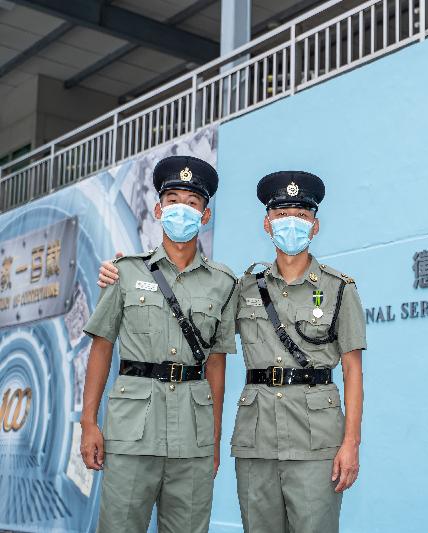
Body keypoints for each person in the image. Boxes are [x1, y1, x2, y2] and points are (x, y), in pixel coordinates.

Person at [97, 170, 366, 533]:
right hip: (256, 441)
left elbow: (353, 373)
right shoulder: (242, 288)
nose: (291, 224)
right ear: (267, 223)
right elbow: (195, 316)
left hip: (316, 439)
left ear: (314, 226)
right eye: (282, 215)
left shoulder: (340, 289)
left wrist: (351, 443)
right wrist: (117, 275)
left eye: (301, 216)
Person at [82, 155, 238, 533]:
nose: (181, 210)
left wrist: (213, 439)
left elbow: (216, 364)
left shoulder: (224, 283)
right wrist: (88, 423)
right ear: (157, 209)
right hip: (132, 432)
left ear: (205, 216)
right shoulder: (126, 271)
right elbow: (101, 348)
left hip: (193, 437)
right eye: (173, 201)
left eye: (192, 203)